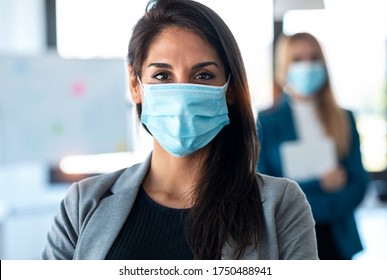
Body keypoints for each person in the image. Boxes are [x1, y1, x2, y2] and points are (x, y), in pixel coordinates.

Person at [41, 0, 318, 260]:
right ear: (136, 85)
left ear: (230, 88)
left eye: (203, 75)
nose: (182, 94)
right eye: (162, 75)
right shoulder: (82, 205)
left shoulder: (281, 205)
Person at [256, 32, 368, 260]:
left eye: (314, 57)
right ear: (283, 66)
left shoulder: (344, 118)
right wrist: (321, 184)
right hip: (288, 237)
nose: (307, 65)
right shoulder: (267, 121)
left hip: (338, 238)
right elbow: (265, 191)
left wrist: (301, 205)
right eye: (297, 59)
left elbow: (359, 184)